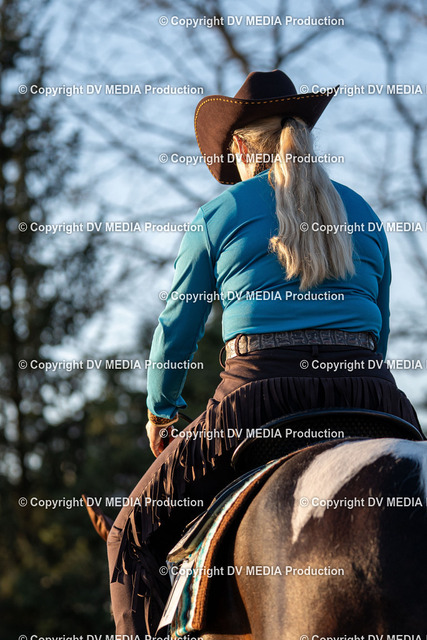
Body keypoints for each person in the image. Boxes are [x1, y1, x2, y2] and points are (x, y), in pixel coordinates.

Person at [106, 69, 421, 635]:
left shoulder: (220, 214)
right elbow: (380, 332)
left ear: (244, 148)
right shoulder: (364, 213)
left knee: (129, 536)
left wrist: (162, 412)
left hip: (258, 398)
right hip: (375, 397)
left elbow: (176, 332)